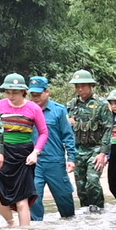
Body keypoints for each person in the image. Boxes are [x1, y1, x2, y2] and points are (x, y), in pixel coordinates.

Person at [0, 73, 47, 229]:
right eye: (8, 92)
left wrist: (35, 152)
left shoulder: (33, 108)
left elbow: (43, 132)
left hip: (24, 156)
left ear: (24, 92)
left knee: (22, 199)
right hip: (2, 153)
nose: (11, 96)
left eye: (15, 92)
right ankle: (11, 224)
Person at [26, 75, 75, 221]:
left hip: (55, 162)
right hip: (33, 163)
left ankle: (70, 229)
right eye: (32, 95)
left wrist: (71, 158)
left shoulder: (59, 111)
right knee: (34, 198)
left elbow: (68, 136)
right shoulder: (26, 110)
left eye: (38, 94)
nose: (35, 98)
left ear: (47, 92)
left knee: (65, 199)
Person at [63, 70, 108, 212]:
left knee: (92, 181)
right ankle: (86, 213)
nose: (80, 89)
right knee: (81, 186)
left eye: (83, 86)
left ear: (90, 86)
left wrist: (103, 153)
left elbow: (108, 129)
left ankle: (99, 209)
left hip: (95, 149)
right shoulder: (71, 105)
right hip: (77, 150)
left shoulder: (101, 104)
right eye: (77, 86)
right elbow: (64, 129)